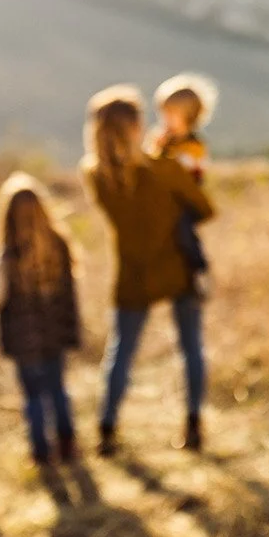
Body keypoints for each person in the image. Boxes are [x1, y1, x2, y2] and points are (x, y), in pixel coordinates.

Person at [80, 85, 215, 455]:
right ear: (135, 128)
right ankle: (193, 425)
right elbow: (205, 209)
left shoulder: (95, 175)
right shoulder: (166, 169)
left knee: (120, 352)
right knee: (191, 348)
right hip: (178, 267)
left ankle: (106, 429)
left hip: (133, 272)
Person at [0, 172, 81, 467]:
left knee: (33, 396)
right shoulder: (60, 247)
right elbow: (70, 297)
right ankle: (67, 444)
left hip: (23, 341)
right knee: (57, 389)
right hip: (55, 335)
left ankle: (41, 451)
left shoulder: (7, 257)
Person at [147, 73, 219, 295]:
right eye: (163, 114)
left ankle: (200, 267)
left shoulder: (194, 145)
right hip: (163, 199)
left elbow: (189, 172)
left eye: (170, 114)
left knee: (183, 229)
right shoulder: (164, 140)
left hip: (185, 200)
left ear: (188, 116)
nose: (165, 120)